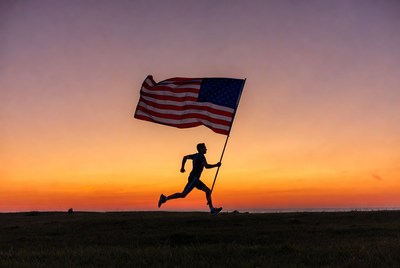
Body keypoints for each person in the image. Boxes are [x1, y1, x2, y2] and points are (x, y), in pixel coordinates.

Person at [158, 143, 222, 216]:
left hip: (194, 179)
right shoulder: (201, 156)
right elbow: (206, 166)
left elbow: (185, 157)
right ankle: (212, 210)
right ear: (201, 149)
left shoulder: (195, 155)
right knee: (204, 191)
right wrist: (216, 165)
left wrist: (182, 167)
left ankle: (164, 198)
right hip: (194, 179)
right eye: (205, 148)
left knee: (184, 194)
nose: (206, 149)